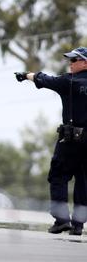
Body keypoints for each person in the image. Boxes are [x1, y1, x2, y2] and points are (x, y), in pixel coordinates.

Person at [15, 47, 87, 236]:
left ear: (85, 63)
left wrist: (26, 75)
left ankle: (62, 220)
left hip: (71, 140)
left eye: (74, 60)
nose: (70, 64)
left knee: (58, 175)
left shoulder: (69, 82)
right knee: (83, 181)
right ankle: (78, 225)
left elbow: (45, 80)